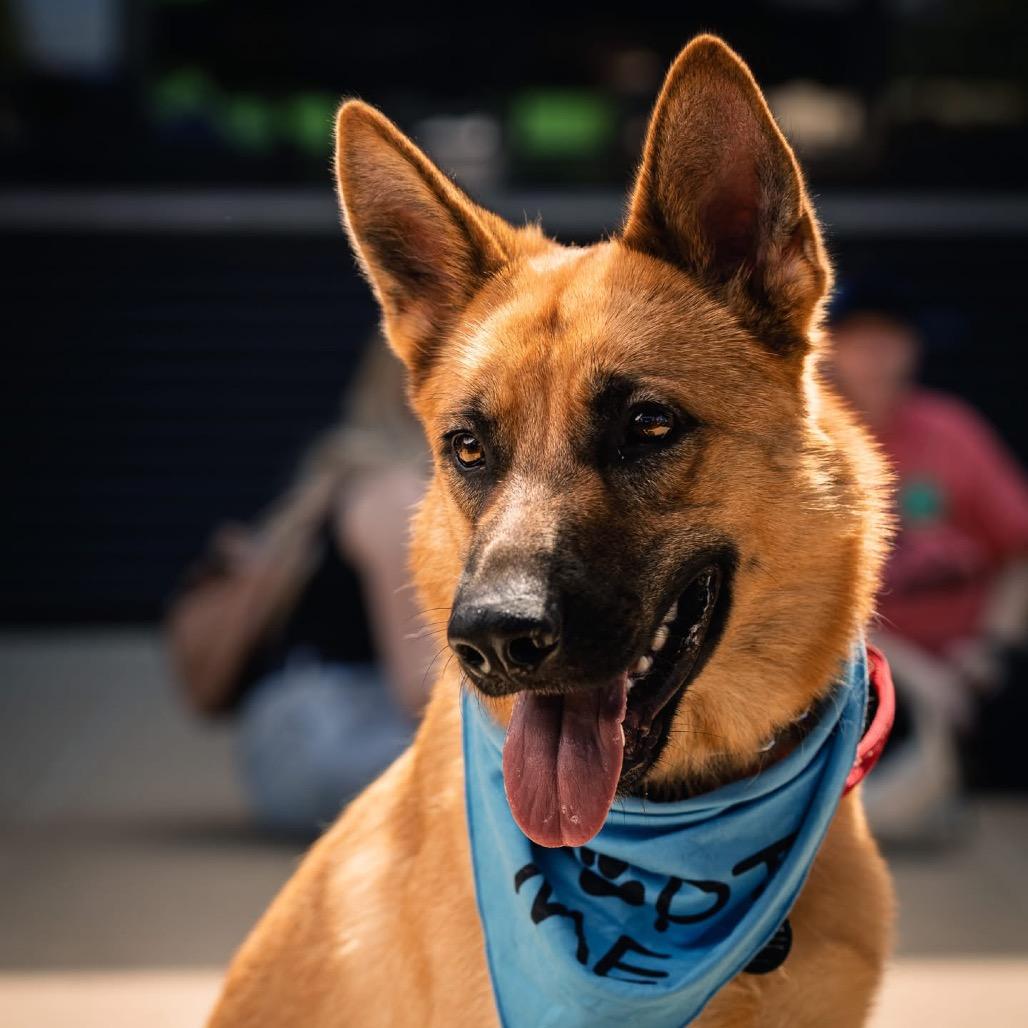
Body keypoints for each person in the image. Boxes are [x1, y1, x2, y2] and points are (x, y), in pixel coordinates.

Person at [166, 338, 437, 836]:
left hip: (292, 741)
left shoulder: (346, 478)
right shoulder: (396, 494)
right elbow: (419, 687)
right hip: (331, 735)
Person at [828, 281, 1028, 840]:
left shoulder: (953, 429)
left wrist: (991, 648)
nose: (875, 357)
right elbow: (800, 597)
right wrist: (913, 676)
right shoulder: (812, 439)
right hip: (859, 674)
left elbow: (1018, 552)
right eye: (859, 341)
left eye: (887, 341)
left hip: (974, 666)